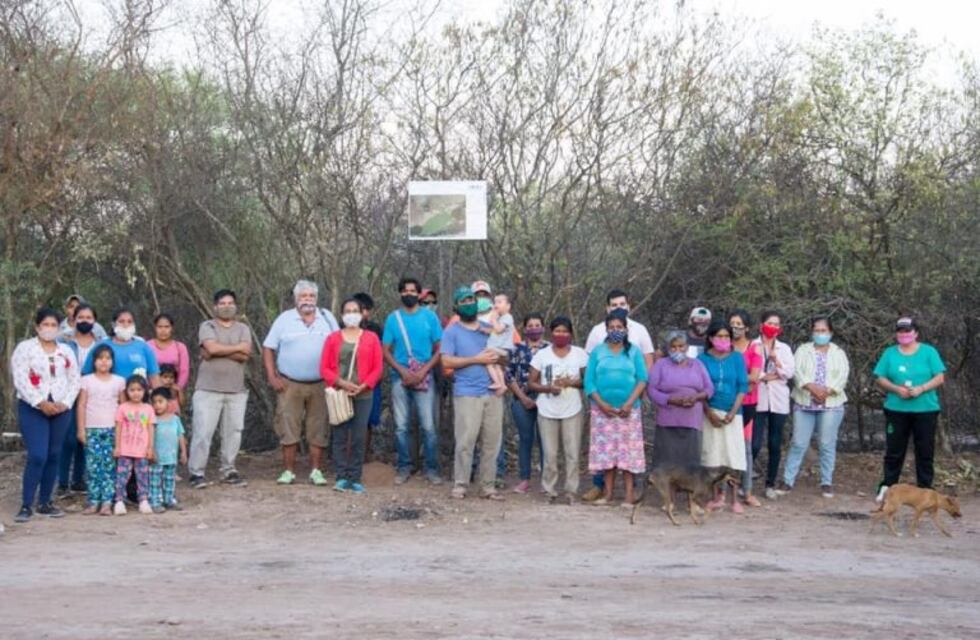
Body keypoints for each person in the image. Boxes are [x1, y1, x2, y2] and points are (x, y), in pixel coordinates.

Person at [263, 280, 339, 486]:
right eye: (303, 296)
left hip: (321, 383)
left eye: (311, 296)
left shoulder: (327, 318)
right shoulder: (284, 319)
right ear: (296, 299)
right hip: (289, 384)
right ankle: (288, 471)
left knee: (318, 427)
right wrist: (272, 377)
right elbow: (269, 347)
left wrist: (335, 379)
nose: (307, 300)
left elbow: (338, 347)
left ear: (316, 299)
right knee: (288, 426)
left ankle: (316, 471)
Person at [582, 289, 656, 501]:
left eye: (619, 327)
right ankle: (607, 495)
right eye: (612, 327)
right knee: (607, 456)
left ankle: (629, 496)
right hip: (602, 411)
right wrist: (602, 404)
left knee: (628, 456)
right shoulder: (598, 351)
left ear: (625, 329)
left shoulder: (633, 351)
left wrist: (630, 403)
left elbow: (643, 378)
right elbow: (589, 381)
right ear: (606, 329)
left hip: (628, 411)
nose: (615, 330)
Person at [10, 308, 81, 523]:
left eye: (53, 325)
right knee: (37, 455)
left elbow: (74, 379)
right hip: (33, 407)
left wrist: (65, 403)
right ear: (37, 327)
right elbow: (20, 378)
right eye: (45, 325)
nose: (49, 329)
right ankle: (26, 504)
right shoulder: (25, 349)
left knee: (53, 454)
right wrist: (40, 402)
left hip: (61, 408)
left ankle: (45, 502)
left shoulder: (66, 351)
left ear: (59, 328)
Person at [441, 286, 506, 500]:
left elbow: (507, 356)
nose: (469, 303)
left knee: (491, 442)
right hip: (467, 393)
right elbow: (446, 360)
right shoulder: (451, 331)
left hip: (492, 392)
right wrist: (476, 359)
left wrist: (498, 357)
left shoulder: (489, 329)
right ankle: (460, 484)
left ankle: (488, 486)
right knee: (465, 441)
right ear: (457, 307)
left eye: (471, 299)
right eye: (464, 300)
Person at [872, 317, 946, 503]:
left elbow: (940, 377)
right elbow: (880, 377)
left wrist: (921, 388)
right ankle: (888, 487)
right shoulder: (889, 353)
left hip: (925, 410)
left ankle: (925, 490)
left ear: (916, 333)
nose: (904, 335)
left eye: (908, 331)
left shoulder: (929, 352)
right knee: (894, 451)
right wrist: (897, 389)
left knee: (925, 451)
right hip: (896, 409)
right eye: (901, 331)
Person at [187, 289, 252, 489]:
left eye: (230, 303)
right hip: (207, 389)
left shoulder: (243, 328)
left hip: (236, 390)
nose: (226, 306)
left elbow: (245, 354)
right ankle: (196, 473)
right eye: (222, 303)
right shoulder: (207, 326)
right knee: (202, 432)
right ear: (215, 306)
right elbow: (212, 349)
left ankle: (229, 470)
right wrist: (233, 348)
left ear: (236, 306)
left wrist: (217, 350)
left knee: (233, 432)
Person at [780, 317, 850, 499]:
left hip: (831, 404)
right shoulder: (803, 350)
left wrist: (826, 391)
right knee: (798, 443)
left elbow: (843, 376)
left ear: (831, 333)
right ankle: (788, 480)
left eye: (824, 330)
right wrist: (811, 388)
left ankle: (826, 481)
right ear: (812, 332)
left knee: (827, 443)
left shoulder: (839, 352)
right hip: (804, 402)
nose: (820, 334)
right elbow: (797, 373)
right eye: (817, 330)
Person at [382, 277, 443, 485]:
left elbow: (439, 348)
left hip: (425, 377)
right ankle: (404, 467)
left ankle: (432, 469)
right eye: (405, 291)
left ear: (419, 294)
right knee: (401, 426)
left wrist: (424, 371)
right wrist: (402, 371)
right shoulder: (393, 319)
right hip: (399, 378)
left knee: (428, 425)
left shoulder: (430, 318)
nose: (409, 294)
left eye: (412, 291)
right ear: (400, 293)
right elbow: (386, 350)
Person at [321, 298, 384, 494]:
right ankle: (341, 476)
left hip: (364, 393)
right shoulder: (332, 338)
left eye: (355, 310)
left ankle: (355, 477)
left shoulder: (371, 338)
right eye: (347, 310)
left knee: (358, 436)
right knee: (339, 435)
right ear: (342, 315)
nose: (351, 313)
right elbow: (324, 368)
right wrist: (341, 383)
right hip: (340, 393)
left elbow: (378, 367)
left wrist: (364, 385)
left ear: (361, 313)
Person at [527, 316, 588, 503]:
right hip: (547, 410)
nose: (561, 334)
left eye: (564, 331)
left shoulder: (580, 354)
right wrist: (548, 389)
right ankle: (549, 490)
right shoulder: (542, 355)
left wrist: (572, 382)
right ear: (551, 333)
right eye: (557, 331)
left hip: (572, 409)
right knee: (550, 454)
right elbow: (531, 382)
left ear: (570, 333)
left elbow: (587, 381)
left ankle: (571, 491)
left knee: (572, 453)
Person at [697, 320, 749, 513]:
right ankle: (717, 496)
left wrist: (732, 413)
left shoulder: (736, 358)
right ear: (710, 338)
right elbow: (699, 388)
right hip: (710, 413)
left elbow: (743, 387)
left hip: (733, 414)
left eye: (726, 336)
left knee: (733, 456)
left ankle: (735, 499)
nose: (723, 339)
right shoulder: (702, 360)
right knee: (713, 456)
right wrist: (708, 412)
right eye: (719, 336)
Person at [647, 331, 714, 470]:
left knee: (690, 462)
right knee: (666, 462)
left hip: (692, 420)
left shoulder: (697, 364)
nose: (678, 350)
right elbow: (651, 390)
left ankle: (689, 490)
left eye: (681, 346)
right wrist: (670, 399)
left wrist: (696, 397)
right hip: (668, 419)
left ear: (687, 347)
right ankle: (667, 491)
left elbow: (709, 389)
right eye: (673, 347)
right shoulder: (661, 364)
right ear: (668, 348)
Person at [56, 303, 100, 497]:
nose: (84, 321)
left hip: (92, 395)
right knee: (68, 439)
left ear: (95, 321)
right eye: (80, 317)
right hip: (68, 394)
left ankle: (78, 480)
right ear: (73, 320)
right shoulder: (63, 342)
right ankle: (63, 483)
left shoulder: (101, 343)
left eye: (89, 318)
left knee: (85, 438)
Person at [76, 344, 125, 515]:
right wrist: (81, 430)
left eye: (107, 358)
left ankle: (106, 502)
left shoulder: (119, 381)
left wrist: (123, 432)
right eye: (100, 358)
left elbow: (123, 407)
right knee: (93, 466)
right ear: (94, 361)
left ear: (112, 361)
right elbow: (81, 405)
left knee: (109, 466)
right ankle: (93, 501)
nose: (104, 362)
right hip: (92, 430)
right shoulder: (86, 380)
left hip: (112, 430)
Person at [751, 310, 794, 500]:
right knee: (754, 443)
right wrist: (764, 376)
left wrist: (776, 363)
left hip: (778, 400)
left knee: (775, 444)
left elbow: (789, 372)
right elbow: (751, 370)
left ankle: (770, 483)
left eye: (777, 324)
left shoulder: (784, 348)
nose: (773, 327)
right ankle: (746, 481)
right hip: (758, 397)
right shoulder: (753, 345)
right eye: (770, 323)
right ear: (761, 324)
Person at [505, 313, 549, 493]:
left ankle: (547, 480)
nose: (534, 328)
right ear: (524, 329)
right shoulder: (516, 349)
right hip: (521, 400)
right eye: (530, 325)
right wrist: (522, 398)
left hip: (546, 400)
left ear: (543, 327)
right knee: (526, 439)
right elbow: (508, 375)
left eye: (537, 325)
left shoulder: (550, 349)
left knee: (546, 440)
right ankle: (525, 479)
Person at [730, 309, 763, 507]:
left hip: (748, 404)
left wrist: (736, 381)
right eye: (732, 323)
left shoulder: (754, 348)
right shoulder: (725, 345)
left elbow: (755, 376)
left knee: (746, 448)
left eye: (739, 324)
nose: (735, 328)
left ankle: (748, 490)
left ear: (747, 327)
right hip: (725, 403)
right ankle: (724, 492)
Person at [82, 307, 161, 387]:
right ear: (113, 324)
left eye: (130, 322)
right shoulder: (101, 345)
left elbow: (154, 377)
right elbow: (86, 374)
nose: (126, 325)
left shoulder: (143, 346)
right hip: (107, 397)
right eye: (121, 321)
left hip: (138, 397)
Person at [112, 376, 155, 515]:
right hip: (125, 450)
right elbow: (118, 427)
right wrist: (117, 447)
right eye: (132, 390)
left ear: (145, 391)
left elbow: (150, 428)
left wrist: (150, 447)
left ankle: (143, 500)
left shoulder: (148, 408)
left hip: (141, 451)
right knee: (122, 476)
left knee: (142, 476)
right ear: (127, 391)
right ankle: (119, 501)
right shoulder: (122, 407)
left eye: (139, 390)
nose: (136, 393)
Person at [352, 292, 384, 458]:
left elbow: (381, 356)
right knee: (346, 419)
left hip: (372, 382)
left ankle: (363, 457)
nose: (363, 313)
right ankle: (347, 457)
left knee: (368, 421)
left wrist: (373, 378)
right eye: (360, 309)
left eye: (366, 309)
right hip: (347, 382)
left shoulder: (376, 329)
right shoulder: (340, 328)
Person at [148, 387, 187, 513]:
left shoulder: (175, 419)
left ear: (169, 402)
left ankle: (169, 500)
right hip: (157, 457)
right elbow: (149, 437)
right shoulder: (152, 420)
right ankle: (155, 502)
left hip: (171, 457)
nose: (157, 405)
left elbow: (180, 436)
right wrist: (151, 451)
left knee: (169, 480)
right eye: (154, 402)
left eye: (160, 401)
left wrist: (183, 452)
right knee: (155, 481)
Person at [479, 293, 516, 395]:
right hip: (500, 348)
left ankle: (496, 382)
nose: (496, 305)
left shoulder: (507, 317)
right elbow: (494, 331)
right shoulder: (501, 318)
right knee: (497, 366)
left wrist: (494, 319)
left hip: (502, 348)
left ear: (508, 306)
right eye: (495, 302)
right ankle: (502, 385)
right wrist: (484, 330)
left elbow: (499, 329)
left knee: (486, 358)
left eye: (499, 302)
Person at [148, 313, 191, 391]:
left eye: (167, 327)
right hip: (151, 391)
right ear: (155, 328)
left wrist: (178, 388)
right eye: (160, 327)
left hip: (173, 391)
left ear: (172, 328)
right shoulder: (147, 346)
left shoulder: (180, 347)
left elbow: (184, 370)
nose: (163, 330)